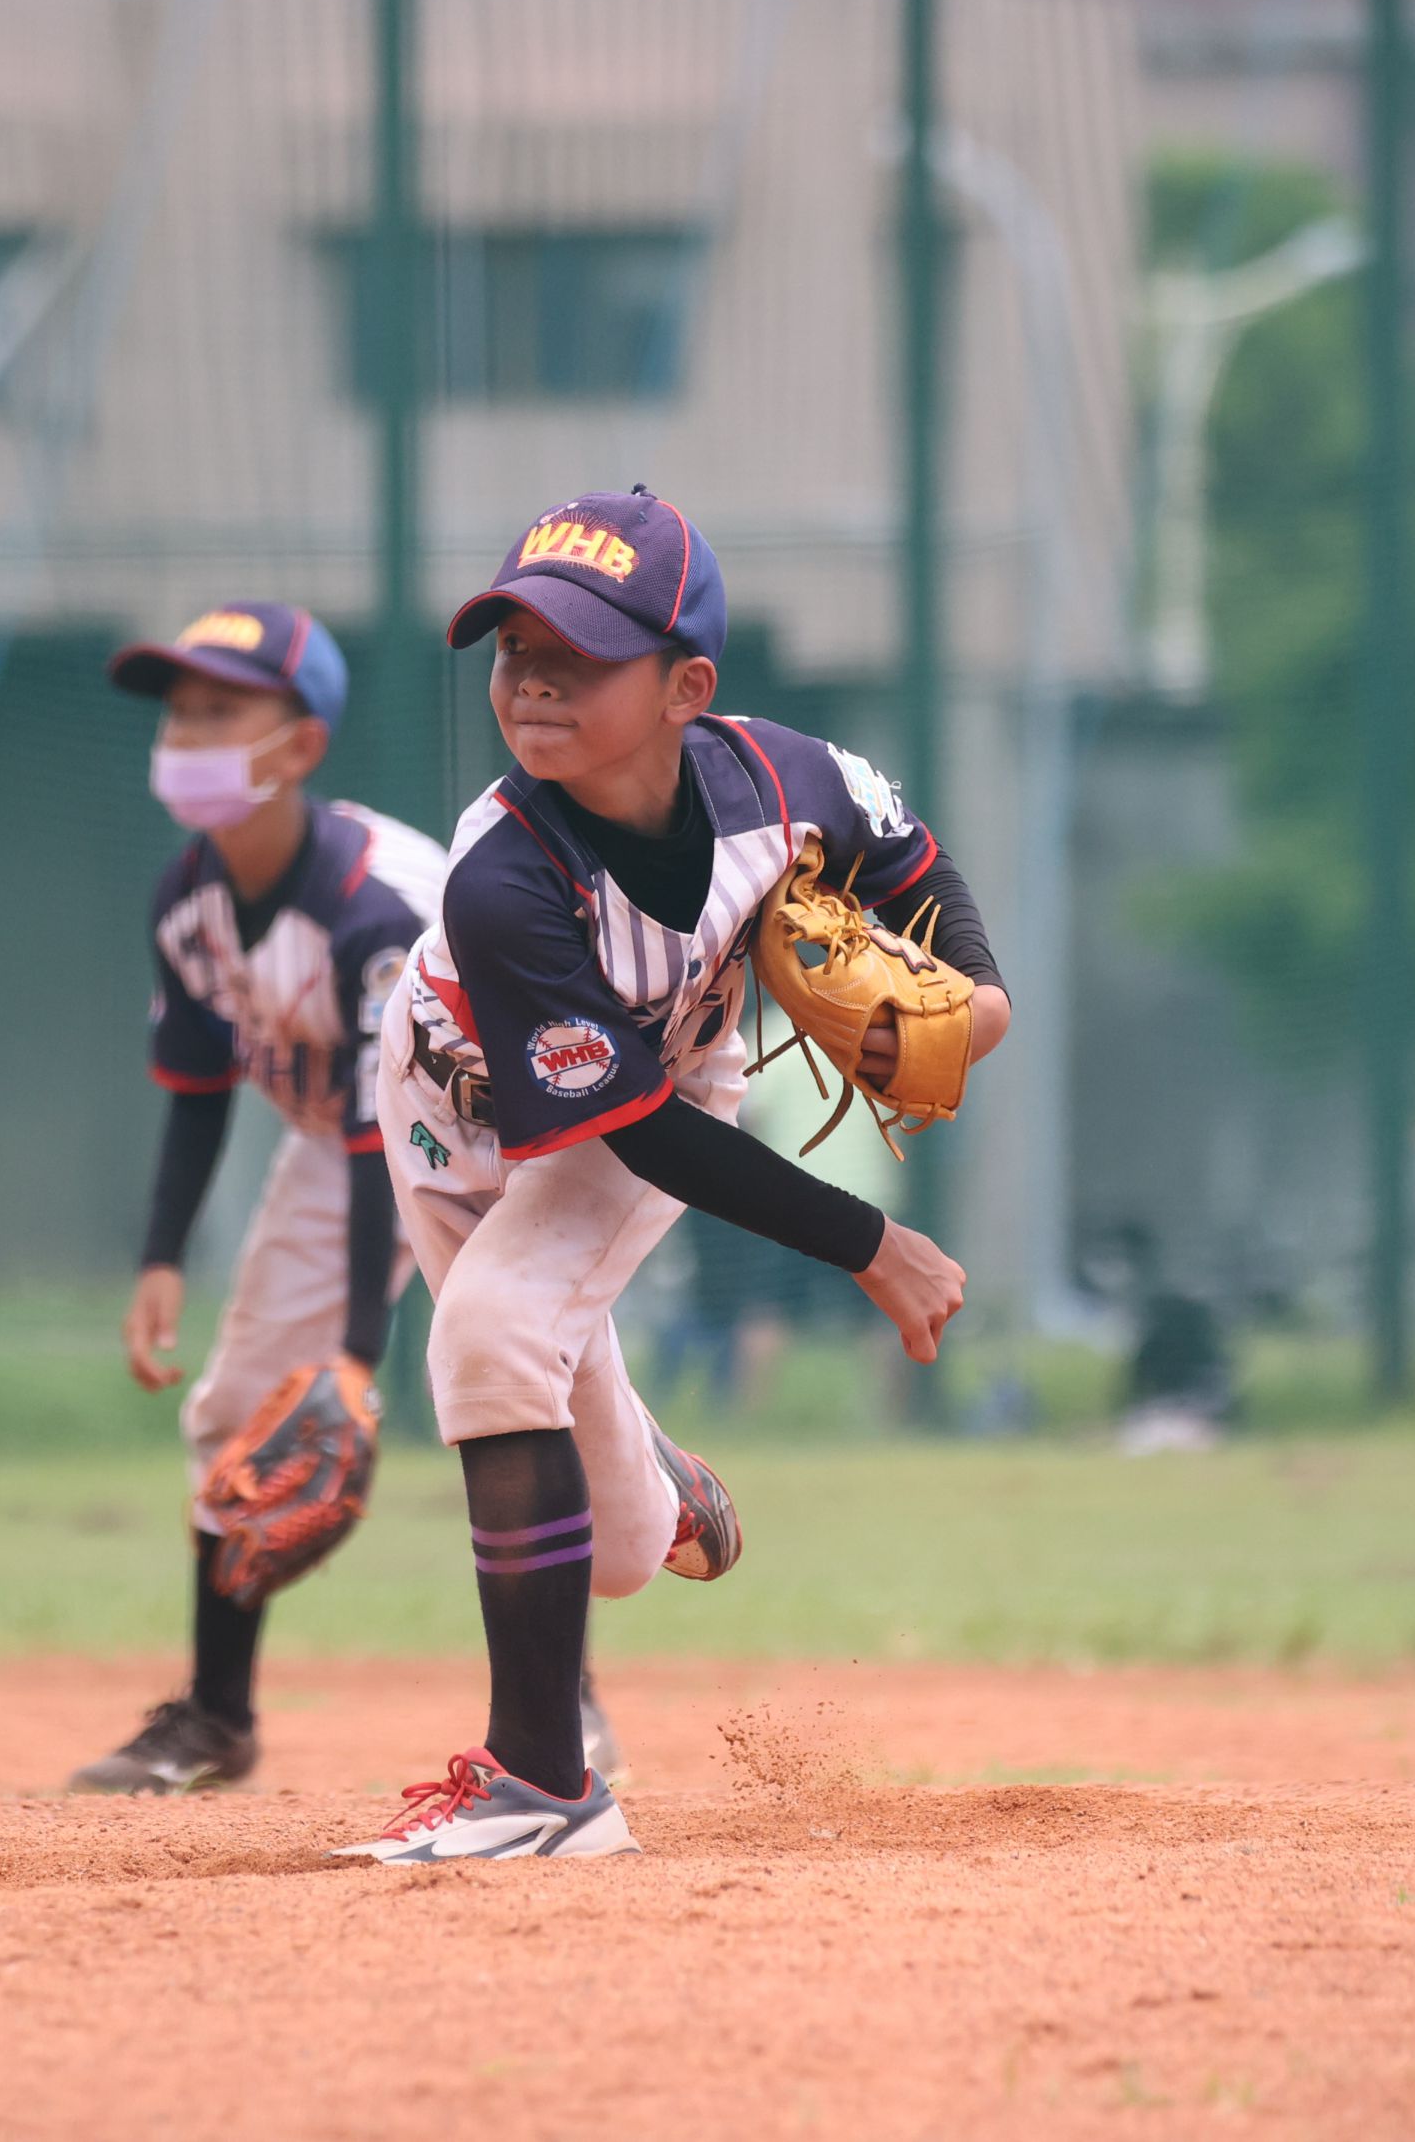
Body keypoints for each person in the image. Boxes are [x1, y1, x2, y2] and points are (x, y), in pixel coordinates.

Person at [353, 489, 1011, 1862]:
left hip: (649, 1100)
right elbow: (634, 1127)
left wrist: (977, 1006)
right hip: (437, 1112)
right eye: (513, 647)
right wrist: (870, 1243)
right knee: (609, 1548)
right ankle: (658, 1488)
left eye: (579, 653)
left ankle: (542, 1789)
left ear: (685, 688)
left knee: (486, 1343)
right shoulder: (504, 873)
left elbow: (916, 868)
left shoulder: (787, 786)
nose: (535, 678)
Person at [74, 601, 529, 1793]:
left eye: (221, 710)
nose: (187, 734)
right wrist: (160, 1256)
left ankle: (560, 1705)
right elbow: (197, 1090)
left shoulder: (374, 909)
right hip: (348, 1142)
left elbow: (399, 1134)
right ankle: (215, 1717)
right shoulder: (186, 903)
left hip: (520, 1129)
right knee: (238, 1410)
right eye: (179, 711)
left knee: (526, 1397)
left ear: (302, 745)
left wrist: (356, 1360)